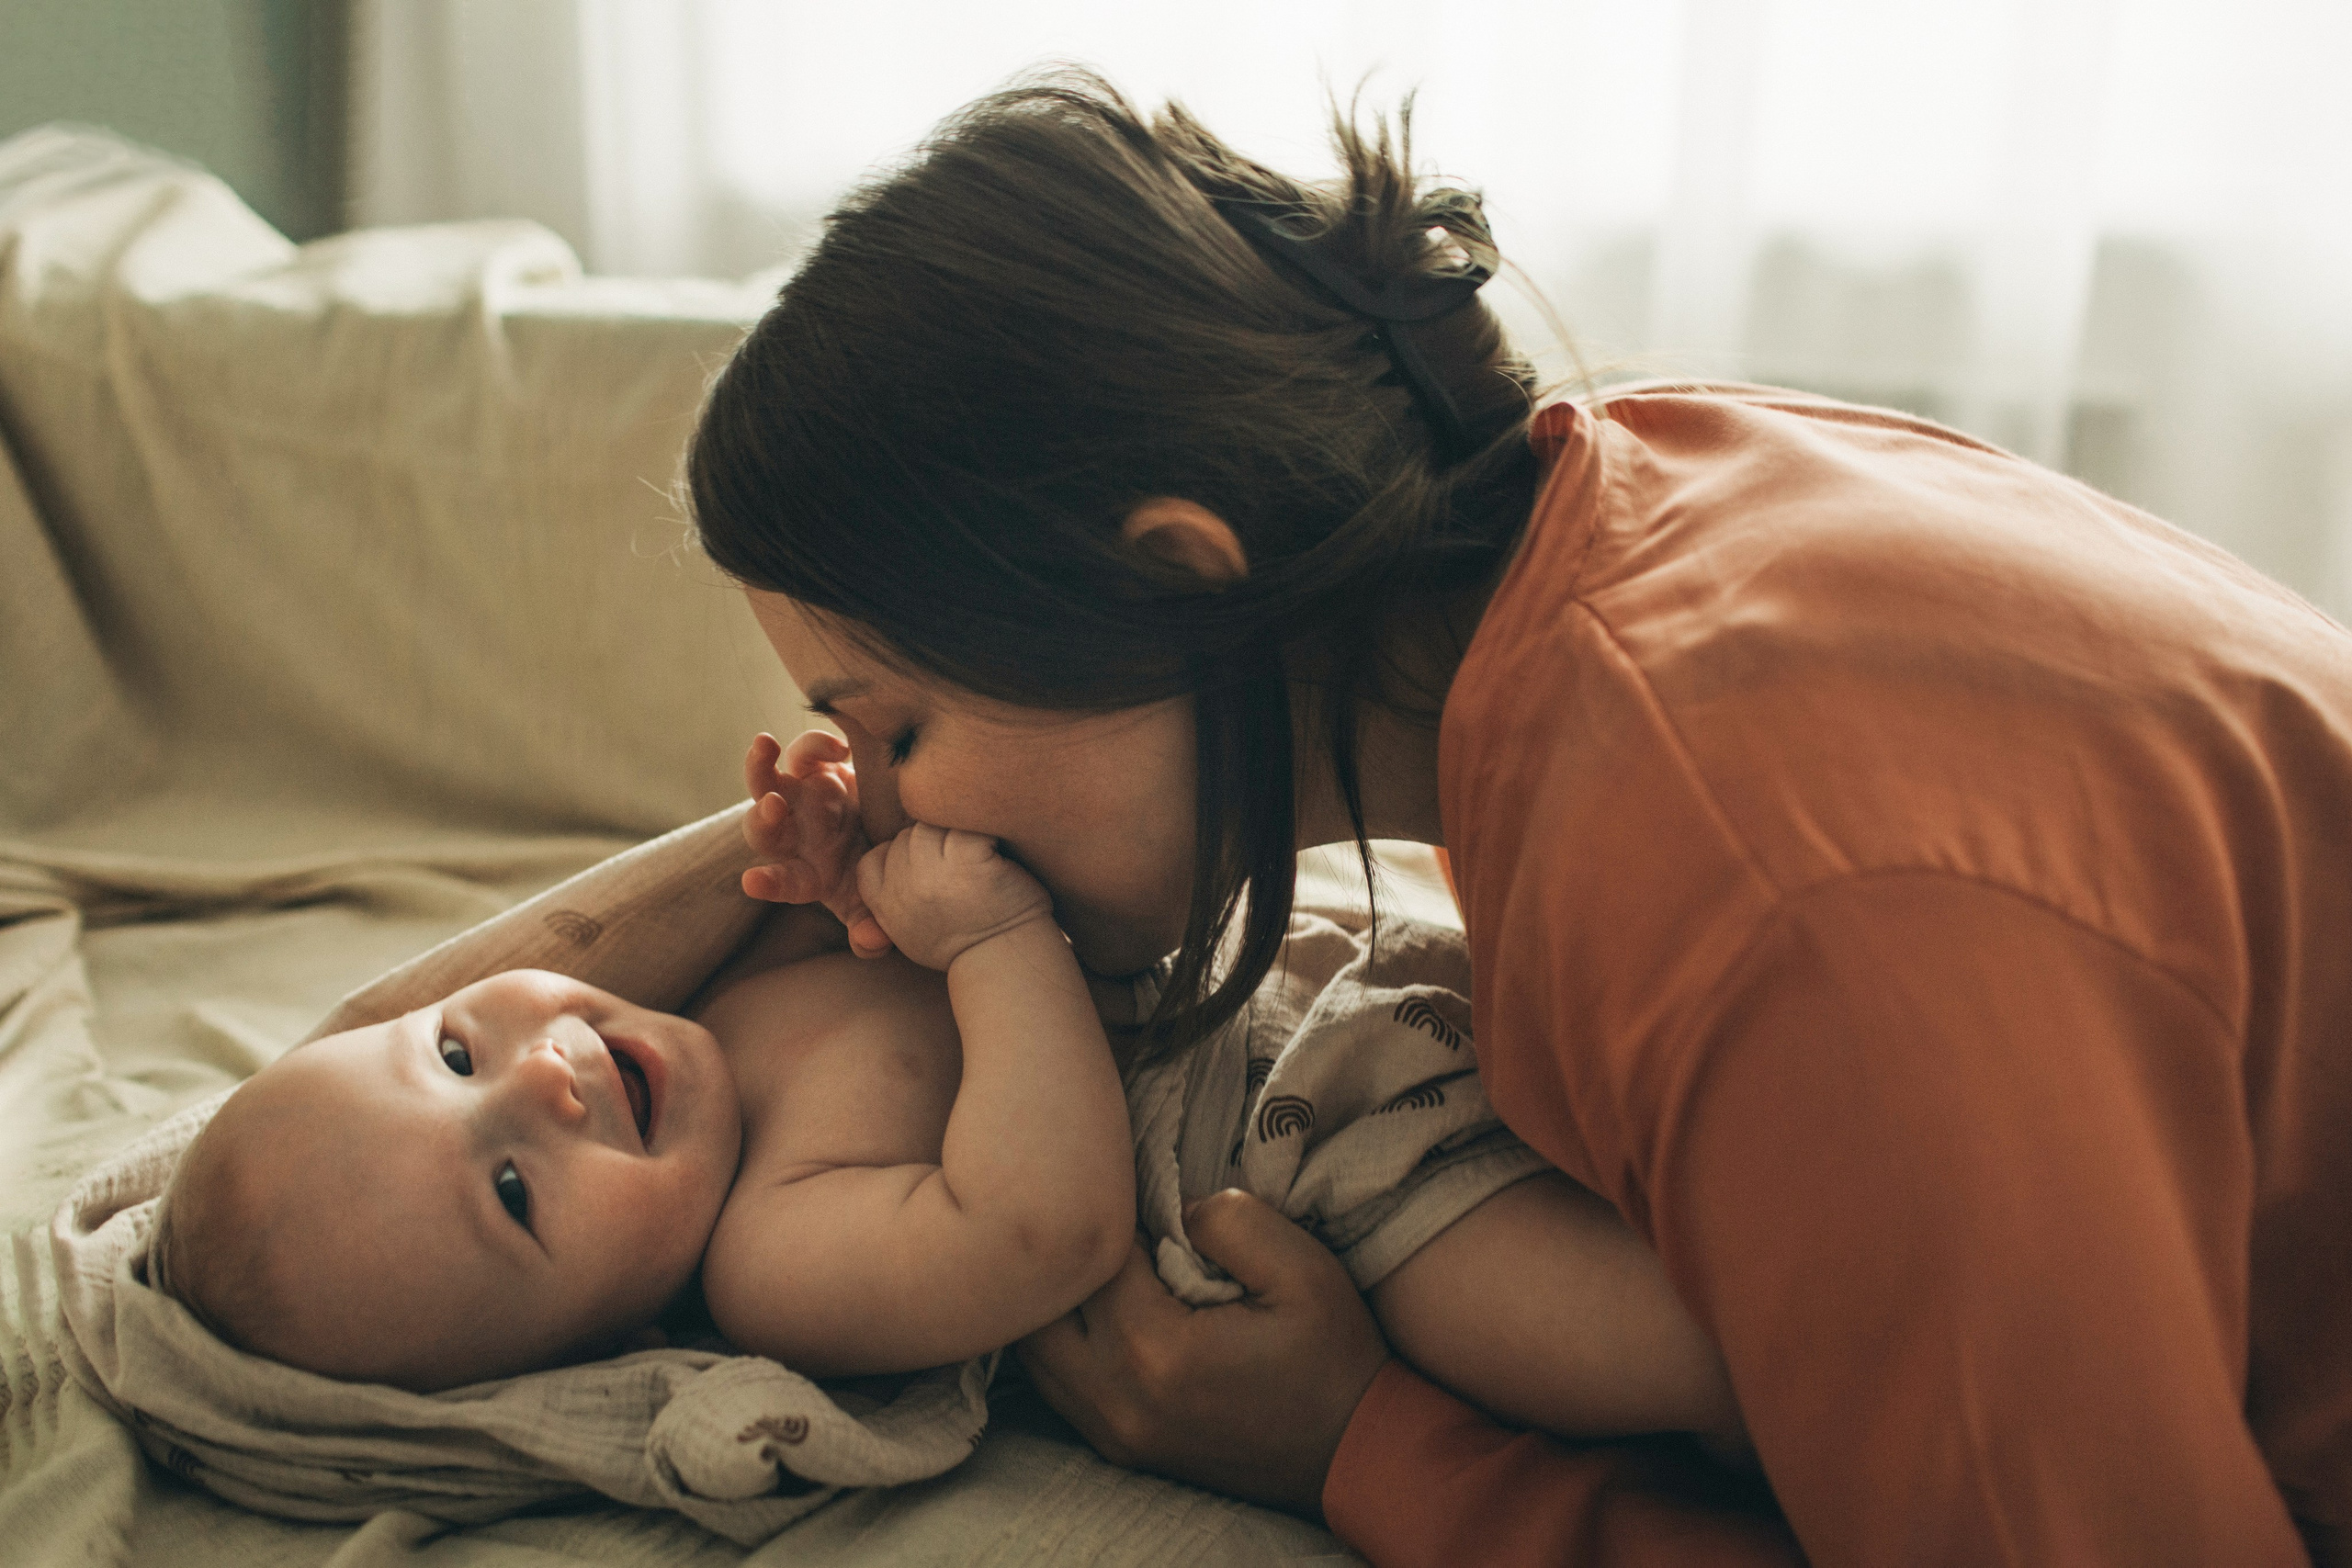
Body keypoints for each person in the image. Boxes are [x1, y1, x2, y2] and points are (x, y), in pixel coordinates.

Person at [686, 68, 2352, 1565]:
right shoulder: (1650, 492)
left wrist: (1373, 1452)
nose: (885, 803)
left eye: (893, 731)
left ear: (1175, 581)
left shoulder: (1765, 901)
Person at [151, 740, 1750, 1463]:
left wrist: (847, 847)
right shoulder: (776, 1254)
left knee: (1745, 1086)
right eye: (512, 1195)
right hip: (1332, 1186)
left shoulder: (709, 988)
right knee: (1704, 1353)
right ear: (589, 1344)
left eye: (449, 1053)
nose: (541, 1082)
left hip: (1342, 973)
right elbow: (1040, 1223)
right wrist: (987, 939)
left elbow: (937, 882)